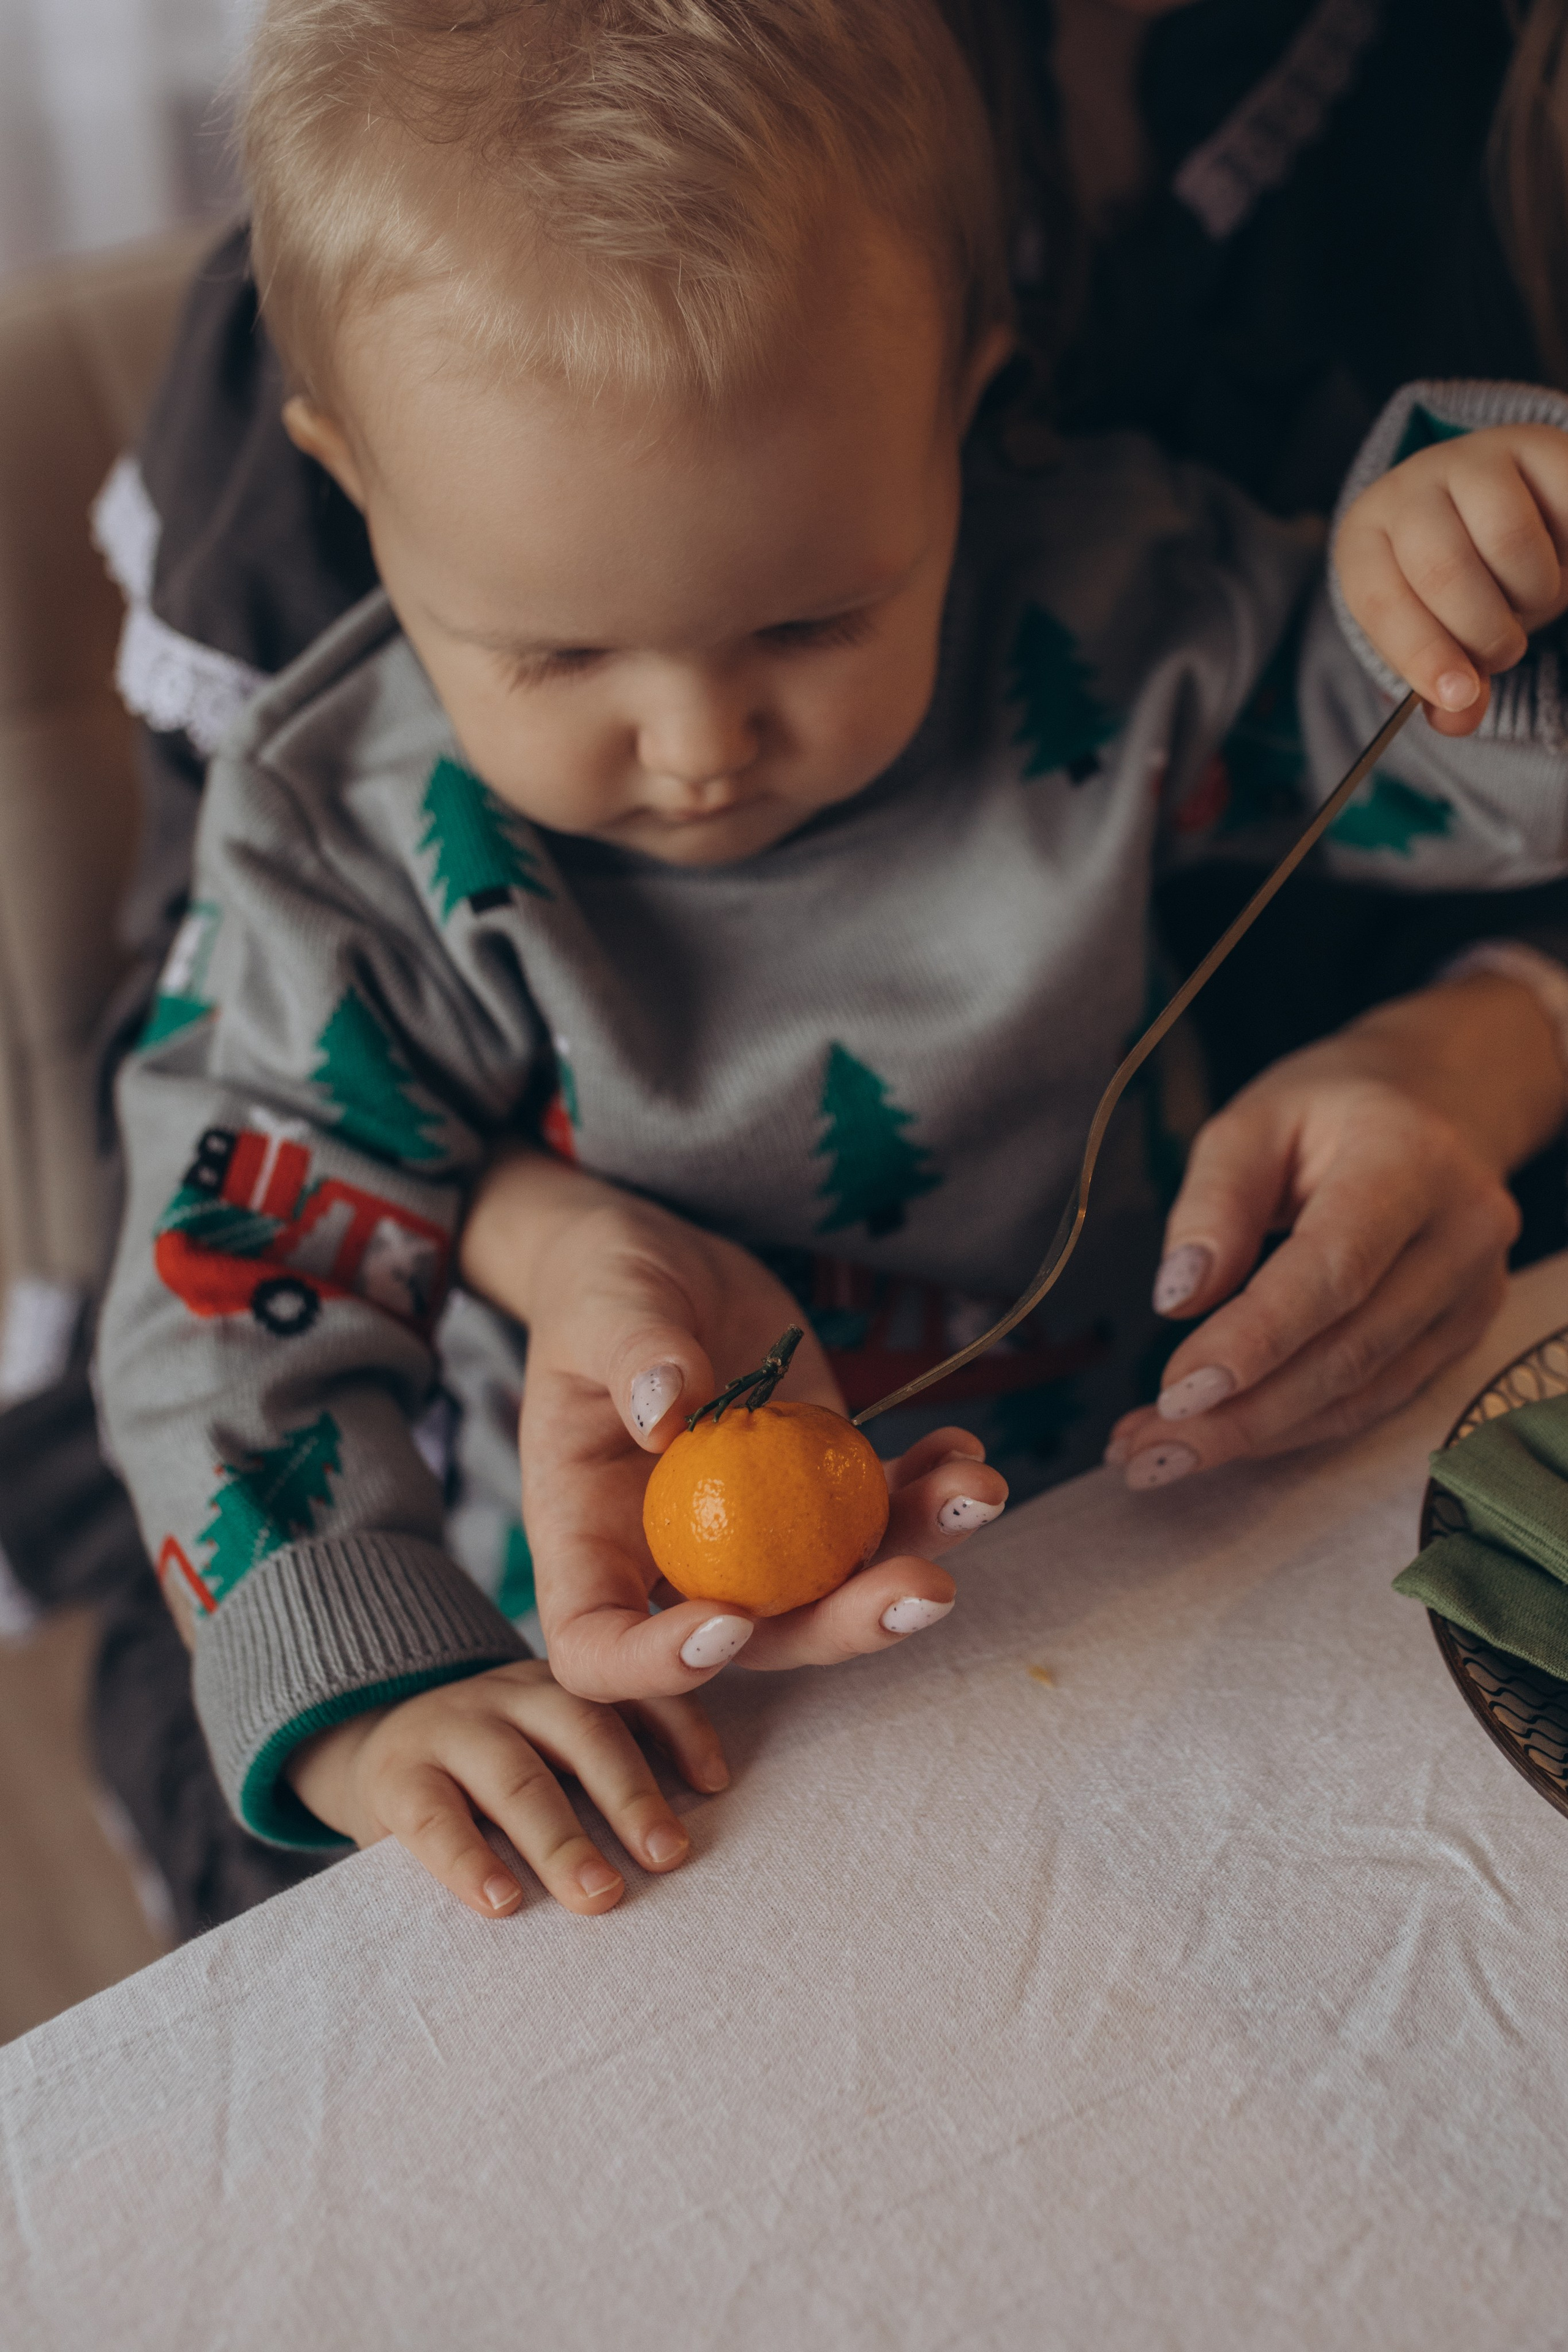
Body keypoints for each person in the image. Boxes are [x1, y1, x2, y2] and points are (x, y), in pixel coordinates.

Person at [94, 0, 1568, 1918]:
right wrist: (386, 1697)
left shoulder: (1102, 615)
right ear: (352, 483)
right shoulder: (342, 841)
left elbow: (1402, 774)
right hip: (638, 1650)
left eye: (812, 620)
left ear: (965, 401)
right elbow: (223, 1282)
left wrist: (1466, 592)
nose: (700, 743)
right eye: (557, 655)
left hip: (1134, 1525)